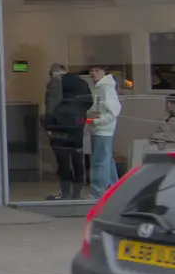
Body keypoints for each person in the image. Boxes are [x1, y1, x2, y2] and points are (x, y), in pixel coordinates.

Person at [42, 65, 90, 200]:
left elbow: (51, 106)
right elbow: (88, 102)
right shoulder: (82, 83)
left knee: (63, 161)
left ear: (54, 73)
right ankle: (77, 193)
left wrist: (49, 125)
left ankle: (65, 192)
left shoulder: (55, 83)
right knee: (77, 160)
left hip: (59, 129)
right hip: (76, 127)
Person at [85, 66, 122, 199]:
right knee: (106, 160)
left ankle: (98, 192)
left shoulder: (106, 88)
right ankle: (113, 188)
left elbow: (114, 111)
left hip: (103, 130)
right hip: (99, 129)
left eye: (97, 71)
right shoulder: (99, 87)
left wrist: (97, 121)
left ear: (104, 72)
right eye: (92, 70)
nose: (93, 73)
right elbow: (97, 107)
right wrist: (91, 121)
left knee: (99, 161)